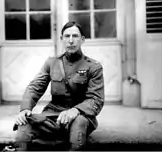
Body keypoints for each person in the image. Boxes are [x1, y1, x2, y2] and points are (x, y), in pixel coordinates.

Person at [12, 21, 104, 151]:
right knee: (24, 123)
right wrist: (25, 109)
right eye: (67, 36)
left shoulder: (93, 67)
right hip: (52, 115)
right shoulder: (52, 63)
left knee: (79, 125)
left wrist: (75, 110)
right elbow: (35, 87)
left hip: (80, 117)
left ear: (82, 39)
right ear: (61, 39)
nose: (71, 41)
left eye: (75, 36)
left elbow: (96, 99)